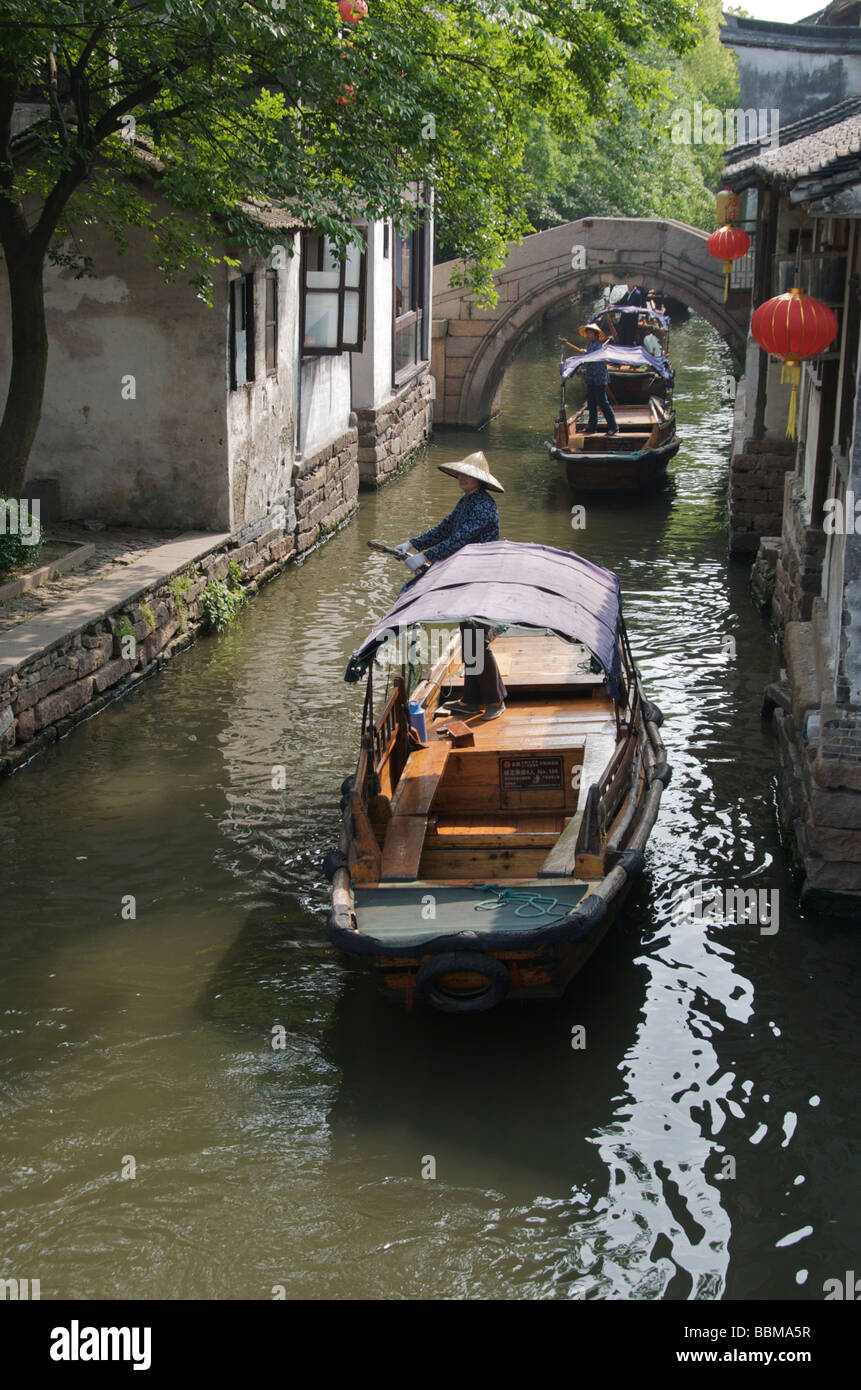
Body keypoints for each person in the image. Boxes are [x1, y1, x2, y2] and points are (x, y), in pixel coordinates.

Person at [394, 452, 507, 719]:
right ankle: (472, 699)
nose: (462, 478)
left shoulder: (484, 506)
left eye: (468, 475)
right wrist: (414, 543)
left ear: (479, 480)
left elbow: (461, 539)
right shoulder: (468, 501)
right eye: (461, 474)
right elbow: (447, 528)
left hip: (478, 576)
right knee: (469, 635)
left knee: (477, 638)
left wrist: (426, 557)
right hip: (464, 575)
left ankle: (495, 701)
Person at [560, 322, 618, 436]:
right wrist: (584, 353)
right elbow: (587, 357)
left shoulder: (598, 345)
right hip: (591, 377)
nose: (588, 335)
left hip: (599, 377)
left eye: (590, 333)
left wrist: (584, 354)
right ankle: (592, 427)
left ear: (595, 335)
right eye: (587, 333)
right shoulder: (591, 345)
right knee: (591, 403)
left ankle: (613, 426)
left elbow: (590, 357)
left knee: (603, 402)